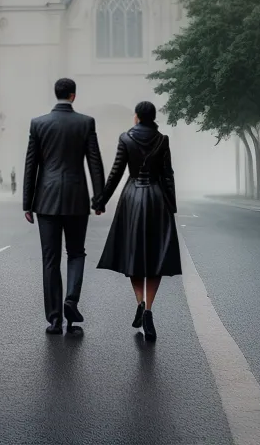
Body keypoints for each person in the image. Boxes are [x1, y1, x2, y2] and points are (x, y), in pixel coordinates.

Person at [22, 77, 105, 336]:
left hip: (45, 200)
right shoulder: (85, 123)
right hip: (76, 199)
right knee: (76, 253)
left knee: (50, 259)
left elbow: (31, 165)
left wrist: (27, 203)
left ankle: (55, 320)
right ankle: (71, 301)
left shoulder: (38, 124)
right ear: (74, 96)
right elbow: (95, 163)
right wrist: (99, 199)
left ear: (56, 94)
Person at [93, 100, 181, 343]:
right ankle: (149, 310)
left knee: (134, 254)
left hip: (132, 199)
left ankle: (139, 303)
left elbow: (116, 173)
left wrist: (101, 201)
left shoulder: (126, 138)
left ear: (136, 117)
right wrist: (171, 205)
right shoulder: (162, 140)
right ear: (152, 117)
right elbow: (168, 175)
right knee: (155, 257)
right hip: (156, 199)